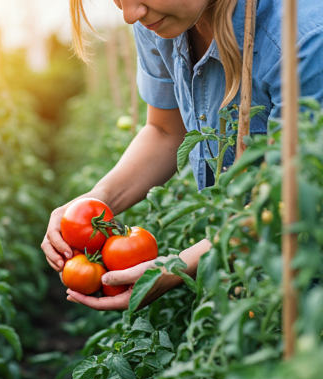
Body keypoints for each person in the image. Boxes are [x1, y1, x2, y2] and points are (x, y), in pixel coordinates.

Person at [42, 0, 323, 311]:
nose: (130, 15)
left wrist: (177, 267)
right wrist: (94, 203)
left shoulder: (306, 38)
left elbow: (290, 198)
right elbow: (166, 130)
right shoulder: (162, 21)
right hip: (247, 279)